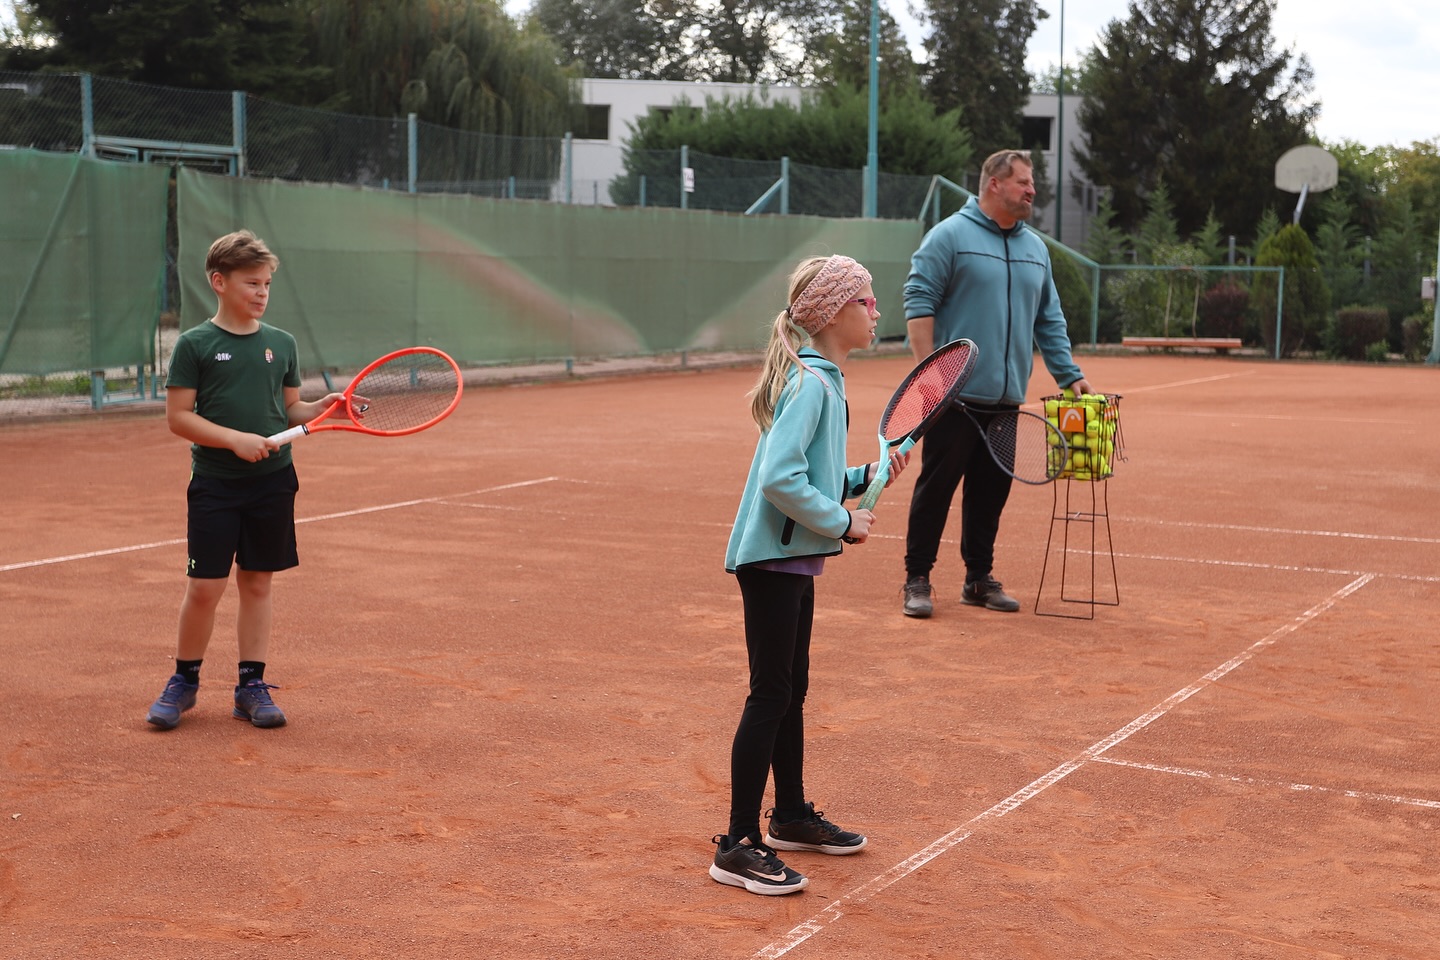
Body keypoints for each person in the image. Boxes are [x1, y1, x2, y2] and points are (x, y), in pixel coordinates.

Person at [710, 255, 909, 896]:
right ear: (833, 313)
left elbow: (810, 475)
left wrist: (863, 478)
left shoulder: (822, 380)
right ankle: (738, 842)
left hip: (790, 558)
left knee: (790, 690)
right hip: (772, 560)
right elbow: (779, 478)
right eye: (867, 302)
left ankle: (790, 814)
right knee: (770, 694)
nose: (877, 312)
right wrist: (843, 520)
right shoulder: (813, 385)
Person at [145, 230, 348, 730]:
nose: (261, 292)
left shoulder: (281, 343)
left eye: (267, 284)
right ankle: (184, 681)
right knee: (205, 586)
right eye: (251, 283)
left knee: (257, 582)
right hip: (216, 483)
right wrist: (234, 439)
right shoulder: (195, 344)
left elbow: (290, 408)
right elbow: (178, 417)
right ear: (219, 282)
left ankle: (250, 687)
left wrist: (320, 408)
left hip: (273, 482)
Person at [900, 149, 1094, 619]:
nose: (1032, 191)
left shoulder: (1036, 249)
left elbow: (1049, 318)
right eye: (1023, 182)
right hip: (954, 397)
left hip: (1006, 399)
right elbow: (919, 301)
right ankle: (917, 578)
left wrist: (1070, 376)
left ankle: (977, 579)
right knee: (936, 489)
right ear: (994, 184)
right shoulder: (950, 236)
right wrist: (931, 378)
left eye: (1031, 183)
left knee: (990, 494)